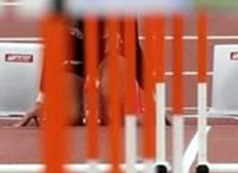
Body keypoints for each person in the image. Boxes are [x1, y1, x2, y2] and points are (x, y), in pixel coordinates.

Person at [16, 19, 146, 127]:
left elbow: (133, 48)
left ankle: (105, 108)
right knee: (67, 116)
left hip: (110, 53)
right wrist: (41, 100)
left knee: (113, 113)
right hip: (77, 52)